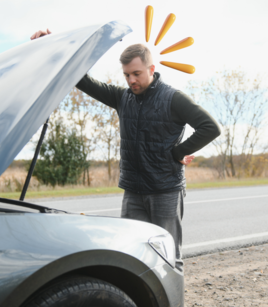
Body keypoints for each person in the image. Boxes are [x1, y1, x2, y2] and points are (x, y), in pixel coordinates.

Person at [31, 29, 220, 271]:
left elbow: (210, 127)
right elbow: (82, 80)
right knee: (133, 258)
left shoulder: (173, 99)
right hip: (133, 192)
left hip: (165, 191)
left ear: (151, 69)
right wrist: (56, 46)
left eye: (137, 74)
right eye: (127, 75)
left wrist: (177, 152)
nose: (131, 80)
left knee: (168, 259)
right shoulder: (122, 98)